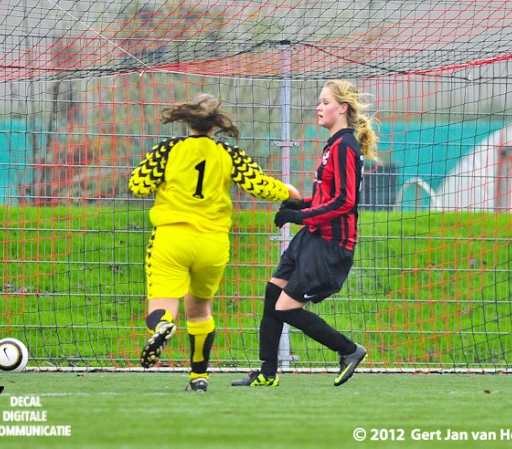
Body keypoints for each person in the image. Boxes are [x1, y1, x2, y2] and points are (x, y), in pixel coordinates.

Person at [128, 93, 300, 393]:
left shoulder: (168, 150)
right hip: (212, 243)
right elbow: (257, 184)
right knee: (200, 310)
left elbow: (138, 185)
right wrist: (286, 191)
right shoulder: (228, 153)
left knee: (163, 304)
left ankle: (163, 326)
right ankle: (198, 377)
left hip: (172, 238)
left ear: (188, 121)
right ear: (215, 124)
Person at [232, 80, 378, 387]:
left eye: (325, 102)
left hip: (330, 244)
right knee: (273, 293)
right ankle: (267, 372)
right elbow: (328, 197)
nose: (319, 107)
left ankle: (349, 350)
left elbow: (345, 202)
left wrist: (299, 215)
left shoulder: (345, 147)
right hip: (312, 237)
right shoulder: (334, 146)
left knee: (286, 306)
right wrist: (301, 204)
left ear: (343, 109)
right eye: (319, 102)